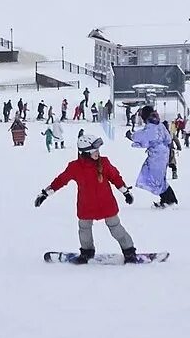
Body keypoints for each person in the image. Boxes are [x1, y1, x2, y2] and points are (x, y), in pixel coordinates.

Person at [36, 132, 140, 262]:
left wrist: (125, 191)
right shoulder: (75, 167)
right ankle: (87, 252)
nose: (97, 152)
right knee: (84, 230)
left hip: (106, 204)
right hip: (86, 205)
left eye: (98, 150)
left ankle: (129, 251)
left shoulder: (104, 163)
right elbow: (60, 180)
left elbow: (115, 177)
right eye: (94, 150)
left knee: (116, 228)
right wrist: (45, 193)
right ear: (86, 152)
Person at [130, 106, 177, 207]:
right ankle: (167, 199)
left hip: (157, 155)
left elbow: (144, 137)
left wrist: (132, 137)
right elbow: (168, 139)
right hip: (163, 153)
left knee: (155, 178)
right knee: (159, 177)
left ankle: (170, 200)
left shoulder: (151, 126)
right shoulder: (159, 124)